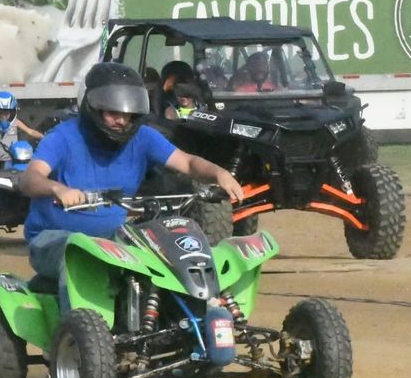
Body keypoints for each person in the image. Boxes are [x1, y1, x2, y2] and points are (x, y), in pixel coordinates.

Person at [20, 62, 244, 311]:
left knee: (167, 253)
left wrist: (219, 173)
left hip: (115, 237)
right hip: (52, 239)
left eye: (127, 114)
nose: (121, 121)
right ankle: (76, 337)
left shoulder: (143, 138)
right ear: (92, 107)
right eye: (112, 113)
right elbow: (30, 178)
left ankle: (190, 321)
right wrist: (58, 189)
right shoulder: (63, 137)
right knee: (80, 251)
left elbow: (188, 162)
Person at [0, 90, 44, 165]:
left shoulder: (16, 122)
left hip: (12, 157)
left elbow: (30, 131)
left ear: (11, 112)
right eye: (1, 113)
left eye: (7, 113)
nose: (4, 116)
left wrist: (43, 137)